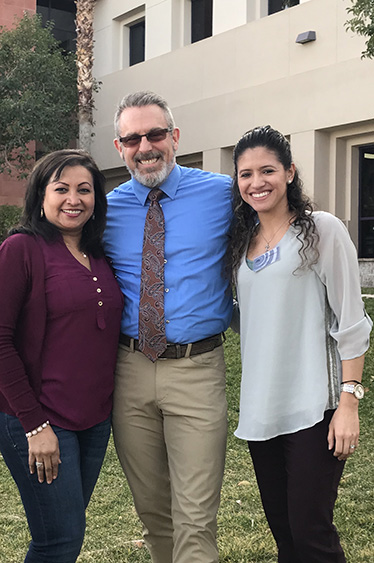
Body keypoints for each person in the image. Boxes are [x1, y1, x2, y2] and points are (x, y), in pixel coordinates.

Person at [228, 125, 372, 563]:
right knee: (286, 536)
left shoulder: (322, 230)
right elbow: (249, 320)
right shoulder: (241, 244)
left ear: (289, 172)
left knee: (312, 535)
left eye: (267, 170)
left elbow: (353, 321)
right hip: (261, 409)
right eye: (246, 174)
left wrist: (349, 402)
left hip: (316, 407)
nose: (257, 183)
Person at [103, 91, 233, 563]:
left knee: (196, 517)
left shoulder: (223, 192)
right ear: (119, 148)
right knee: (153, 512)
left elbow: (281, 212)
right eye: (132, 138)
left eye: (155, 134)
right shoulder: (104, 210)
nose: (146, 146)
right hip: (128, 369)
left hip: (196, 368)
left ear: (175, 138)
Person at [0, 149, 124, 563]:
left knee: (65, 530)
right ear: (41, 196)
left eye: (84, 190)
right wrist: (35, 426)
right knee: (59, 541)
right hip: (37, 420)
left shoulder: (100, 255)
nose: (74, 199)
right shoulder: (21, 250)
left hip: (93, 420)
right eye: (62, 188)